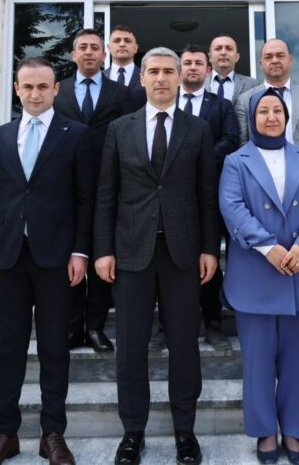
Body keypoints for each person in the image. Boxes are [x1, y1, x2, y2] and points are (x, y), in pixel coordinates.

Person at [94, 47, 220, 465]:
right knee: (130, 347)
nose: (162, 78)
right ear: (142, 78)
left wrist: (209, 248)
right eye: (155, 71)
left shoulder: (198, 129)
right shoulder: (119, 129)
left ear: (181, 75)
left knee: (185, 344)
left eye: (170, 71)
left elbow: (206, 195)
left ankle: (186, 430)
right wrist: (103, 250)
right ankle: (133, 432)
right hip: (130, 252)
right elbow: (106, 194)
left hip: (183, 253)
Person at [0, 57, 95, 465]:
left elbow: (84, 199)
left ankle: (52, 434)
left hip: (56, 258)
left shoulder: (75, 134)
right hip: (7, 257)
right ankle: (4, 433)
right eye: (28, 87)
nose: (36, 94)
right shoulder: (1, 136)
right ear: (16, 89)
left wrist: (80, 251)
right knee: (10, 347)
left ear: (56, 89)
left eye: (43, 86)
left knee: (55, 348)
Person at [220, 89, 299, 465]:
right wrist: (269, 247)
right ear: (252, 118)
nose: (271, 117)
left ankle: (296, 432)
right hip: (256, 271)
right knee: (258, 360)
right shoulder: (236, 161)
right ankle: (265, 432)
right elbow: (232, 207)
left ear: (287, 117)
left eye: (277, 111)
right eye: (263, 111)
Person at [149, 44, 239, 351]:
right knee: (165, 265)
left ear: (208, 70)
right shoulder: (163, 107)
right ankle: (163, 329)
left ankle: (214, 326)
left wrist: (197, 157)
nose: (192, 68)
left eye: (198, 63)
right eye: (186, 63)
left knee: (208, 263)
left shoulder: (221, 105)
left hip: (206, 195)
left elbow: (231, 140)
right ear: (178, 72)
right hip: (166, 199)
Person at [55, 29, 130, 353]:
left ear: (105, 55)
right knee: (70, 256)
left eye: (95, 48)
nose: (88, 53)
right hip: (66, 185)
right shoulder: (59, 92)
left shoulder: (122, 93)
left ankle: (96, 327)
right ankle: (73, 327)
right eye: (82, 47)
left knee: (102, 255)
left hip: (107, 184)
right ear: (74, 54)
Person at [236, 39, 299, 179]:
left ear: (290, 60)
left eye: (280, 55)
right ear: (261, 64)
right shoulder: (246, 100)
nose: (274, 60)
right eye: (268, 57)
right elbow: (242, 147)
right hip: (262, 180)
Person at [204, 35, 260, 105]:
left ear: (237, 57)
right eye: (218, 49)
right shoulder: (198, 83)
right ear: (209, 57)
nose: (223, 52)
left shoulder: (253, 85)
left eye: (229, 49)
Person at [106, 24, 146, 113]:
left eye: (127, 41)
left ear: (136, 48)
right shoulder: (100, 77)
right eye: (117, 41)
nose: (122, 44)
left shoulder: (147, 76)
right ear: (109, 48)